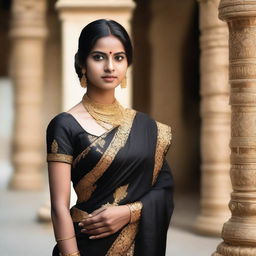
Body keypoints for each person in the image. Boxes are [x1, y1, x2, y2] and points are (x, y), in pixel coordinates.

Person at [46, 19, 174, 256]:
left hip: (137, 246)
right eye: (98, 57)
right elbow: (59, 207)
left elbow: (163, 189)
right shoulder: (64, 125)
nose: (110, 67)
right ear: (83, 63)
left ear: (127, 64)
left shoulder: (147, 128)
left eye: (118, 57)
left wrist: (129, 212)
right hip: (86, 244)